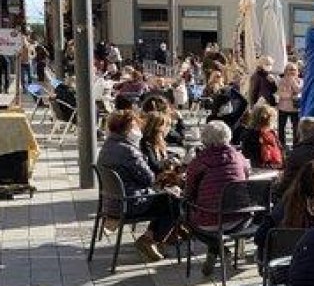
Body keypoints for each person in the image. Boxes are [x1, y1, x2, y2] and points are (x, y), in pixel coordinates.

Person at [96, 110, 177, 262]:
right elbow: (149, 178)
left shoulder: (107, 146)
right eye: (134, 126)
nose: (138, 130)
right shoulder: (129, 151)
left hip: (110, 203)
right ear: (126, 129)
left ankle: (151, 238)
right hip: (130, 203)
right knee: (173, 201)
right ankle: (150, 239)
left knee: (166, 197)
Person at [183, 121, 251, 274]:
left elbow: (189, 193)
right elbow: (246, 178)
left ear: (205, 140)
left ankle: (220, 250)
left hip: (210, 221)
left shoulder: (199, 162)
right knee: (215, 215)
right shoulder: (240, 158)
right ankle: (216, 252)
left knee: (185, 215)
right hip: (241, 219)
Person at [274, 117, 314, 202]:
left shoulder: (295, 154)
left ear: (299, 133)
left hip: (298, 199)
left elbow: (286, 183)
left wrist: (277, 189)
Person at [240, 104, 285, 169]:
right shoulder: (272, 134)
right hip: (275, 168)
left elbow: (246, 155)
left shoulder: (248, 134)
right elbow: (281, 152)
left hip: (256, 171)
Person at [276, 63, 302, 145]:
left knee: (296, 128)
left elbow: (299, 90)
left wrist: (292, 81)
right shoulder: (281, 81)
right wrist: (291, 95)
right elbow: (281, 94)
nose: (292, 71)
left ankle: (296, 145)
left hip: (295, 108)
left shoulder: (300, 81)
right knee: (281, 127)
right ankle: (282, 144)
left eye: (294, 69)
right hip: (283, 108)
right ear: (286, 71)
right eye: (290, 69)